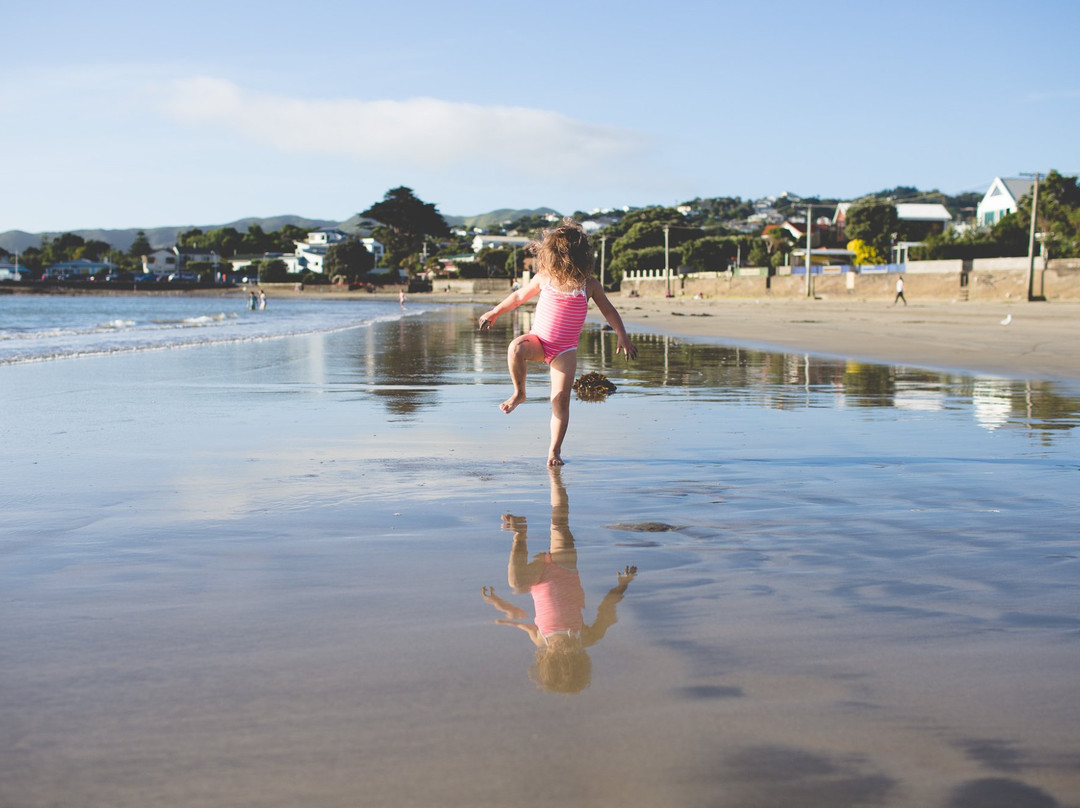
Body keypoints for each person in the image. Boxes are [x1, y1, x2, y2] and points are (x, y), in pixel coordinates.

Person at [478, 218, 637, 466]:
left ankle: (554, 451)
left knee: (560, 399)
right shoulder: (545, 277)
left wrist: (623, 335)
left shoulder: (590, 285)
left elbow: (609, 311)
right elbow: (519, 296)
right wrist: (495, 312)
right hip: (538, 341)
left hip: (564, 350)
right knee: (515, 347)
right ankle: (519, 393)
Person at [482, 467, 637, 694]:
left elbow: (521, 623)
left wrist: (498, 604)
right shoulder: (586, 638)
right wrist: (623, 585)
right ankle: (556, 481)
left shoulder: (541, 641)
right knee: (560, 522)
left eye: (556, 660)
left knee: (516, 584)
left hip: (537, 579)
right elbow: (607, 611)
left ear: (545, 660)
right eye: (569, 660)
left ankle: (520, 534)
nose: (562, 652)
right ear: (581, 660)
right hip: (564, 568)